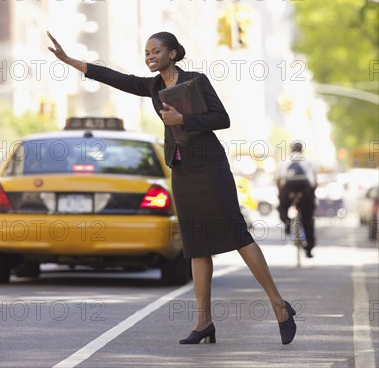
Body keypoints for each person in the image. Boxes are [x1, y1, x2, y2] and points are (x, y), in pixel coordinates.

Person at [47, 30, 297, 345]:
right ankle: (203, 322)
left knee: (236, 234)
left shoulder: (197, 81)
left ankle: (279, 305)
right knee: (196, 243)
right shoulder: (151, 86)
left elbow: (222, 119)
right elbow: (114, 77)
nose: (149, 56)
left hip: (210, 168)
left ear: (173, 54)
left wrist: (183, 119)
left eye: (155, 51)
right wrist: (70, 60)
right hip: (182, 170)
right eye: (146, 52)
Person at [275, 142, 318, 258]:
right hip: (305, 188)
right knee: (308, 219)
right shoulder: (309, 160)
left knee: (281, 207)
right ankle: (309, 249)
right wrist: (312, 196)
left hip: (288, 188)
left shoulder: (285, 160)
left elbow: (278, 179)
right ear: (302, 150)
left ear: (291, 150)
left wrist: (281, 194)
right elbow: (314, 181)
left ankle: (287, 221)